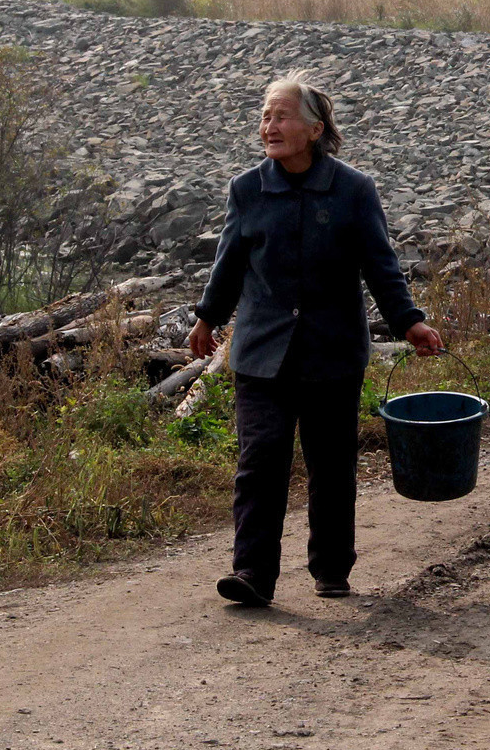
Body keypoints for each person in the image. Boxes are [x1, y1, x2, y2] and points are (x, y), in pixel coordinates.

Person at [187, 74, 443, 607]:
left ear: (314, 129)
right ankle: (253, 573)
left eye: (281, 117)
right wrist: (207, 318)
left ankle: (331, 568)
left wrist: (409, 322)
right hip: (262, 352)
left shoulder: (353, 190)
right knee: (261, 458)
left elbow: (381, 266)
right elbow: (229, 263)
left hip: (332, 350)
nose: (269, 127)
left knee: (331, 462)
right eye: (265, 117)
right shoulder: (247, 189)